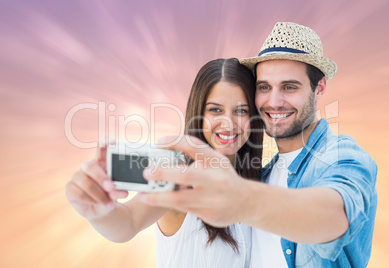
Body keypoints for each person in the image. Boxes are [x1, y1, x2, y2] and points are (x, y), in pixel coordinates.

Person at [139, 22, 378, 267]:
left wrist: (242, 199)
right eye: (264, 87)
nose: (274, 102)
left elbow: (337, 216)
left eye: (289, 87)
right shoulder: (259, 176)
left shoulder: (340, 156)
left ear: (320, 88)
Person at [65, 58, 264, 267]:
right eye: (215, 110)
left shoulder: (259, 183)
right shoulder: (181, 177)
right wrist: (101, 213)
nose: (228, 123)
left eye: (241, 111)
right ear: (199, 115)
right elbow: (129, 221)